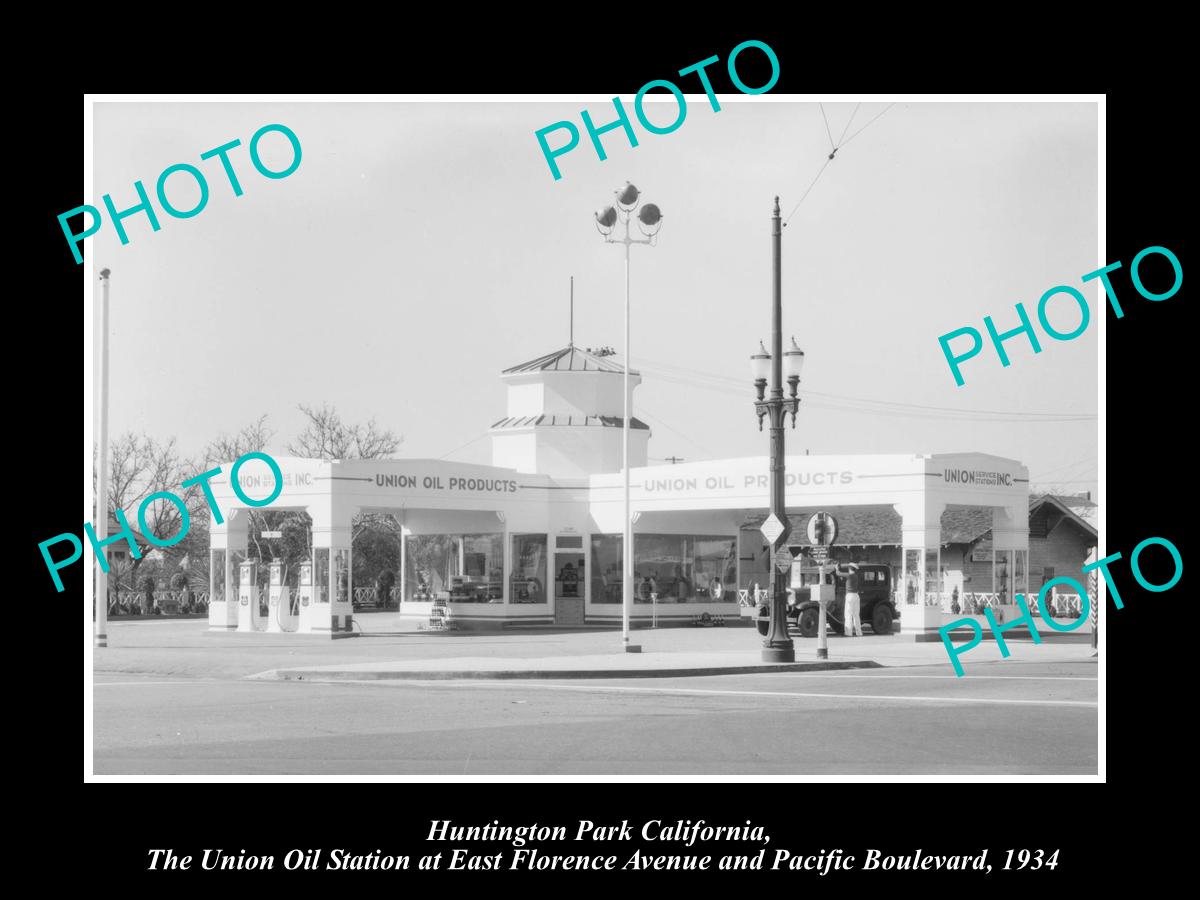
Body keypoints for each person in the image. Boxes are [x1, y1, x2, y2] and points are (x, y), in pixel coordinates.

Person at [839, 561, 864, 636]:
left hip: (849, 596)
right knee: (856, 615)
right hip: (856, 596)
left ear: (850, 568)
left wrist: (837, 568)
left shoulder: (849, 575)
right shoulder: (855, 576)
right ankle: (859, 632)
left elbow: (838, 573)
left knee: (848, 614)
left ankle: (849, 633)